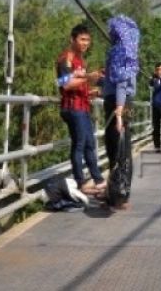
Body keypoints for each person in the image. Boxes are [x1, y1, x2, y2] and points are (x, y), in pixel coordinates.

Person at [56, 24, 106, 195]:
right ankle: (81, 182)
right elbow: (65, 84)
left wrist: (91, 91)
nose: (86, 43)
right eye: (82, 39)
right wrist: (89, 77)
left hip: (82, 106)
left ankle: (98, 181)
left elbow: (78, 83)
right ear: (73, 39)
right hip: (72, 108)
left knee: (89, 144)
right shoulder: (66, 59)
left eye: (88, 40)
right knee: (80, 144)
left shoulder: (79, 60)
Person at [101, 15, 140, 211]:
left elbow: (121, 83)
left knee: (114, 148)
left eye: (112, 30)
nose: (109, 33)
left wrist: (118, 111)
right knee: (124, 150)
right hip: (125, 102)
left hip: (117, 103)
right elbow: (119, 80)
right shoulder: (131, 51)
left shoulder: (118, 51)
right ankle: (121, 194)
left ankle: (114, 196)